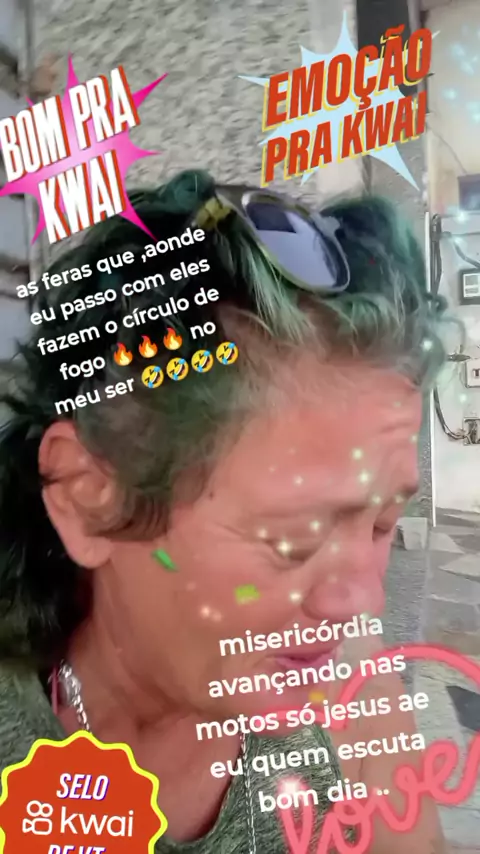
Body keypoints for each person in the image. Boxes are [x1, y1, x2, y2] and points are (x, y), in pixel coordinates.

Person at [0, 170, 447, 852]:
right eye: (294, 537)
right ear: (89, 495)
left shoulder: (349, 687)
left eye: (381, 523)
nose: (361, 601)